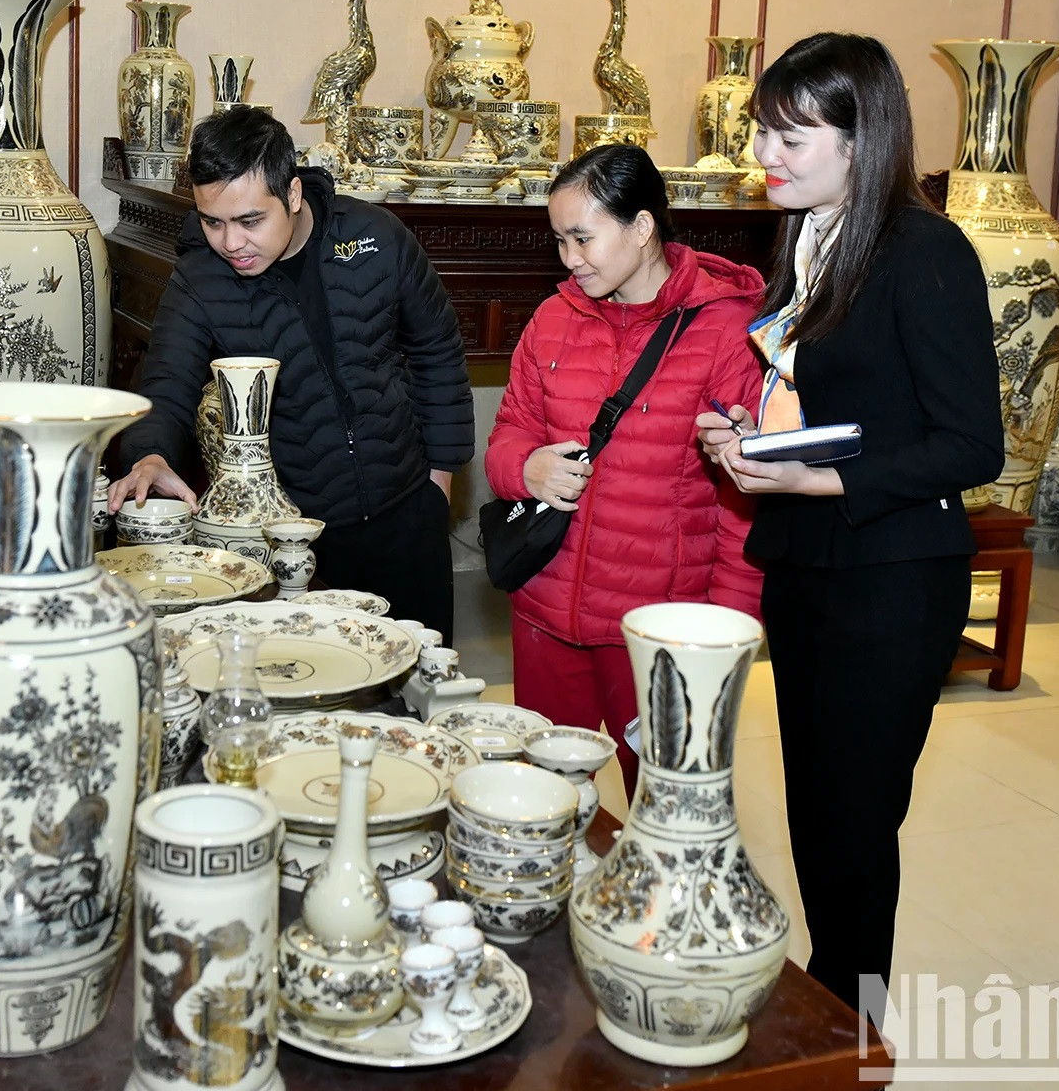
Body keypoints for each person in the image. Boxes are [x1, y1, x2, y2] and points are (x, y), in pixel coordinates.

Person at [693, 32, 1002, 1009]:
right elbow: (847, 408)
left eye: (791, 138)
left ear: (862, 139)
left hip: (895, 577)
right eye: (763, 136)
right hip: (810, 565)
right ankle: (832, 1014)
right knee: (819, 811)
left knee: (856, 824)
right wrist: (758, 440)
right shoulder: (814, 237)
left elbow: (969, 447)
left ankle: (856, 1037)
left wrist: (808, 480)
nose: (766, 159)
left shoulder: (925, 250)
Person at [109, 107, 473, 640]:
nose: (231, 243)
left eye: (250, 221)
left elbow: (438, 349)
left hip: (408, 511)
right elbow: (166, 379)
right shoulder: (201, 278)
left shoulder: (375, 236)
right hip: (297, 535)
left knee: (420, 683)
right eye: (213, 221)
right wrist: (149, 452)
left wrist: (439, 483)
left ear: (294, 194)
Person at [484, 144, 763, 796]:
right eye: (559, 241)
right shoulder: (554, 319)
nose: (569, 259)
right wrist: (525, 469)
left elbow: (744, 501)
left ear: (641, 228)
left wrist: (727, 632)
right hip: (546, 605)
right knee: (549, 799)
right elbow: (507, 437)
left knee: (669, 802)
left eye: (583, 238)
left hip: (658, 626)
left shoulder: (724, 334)